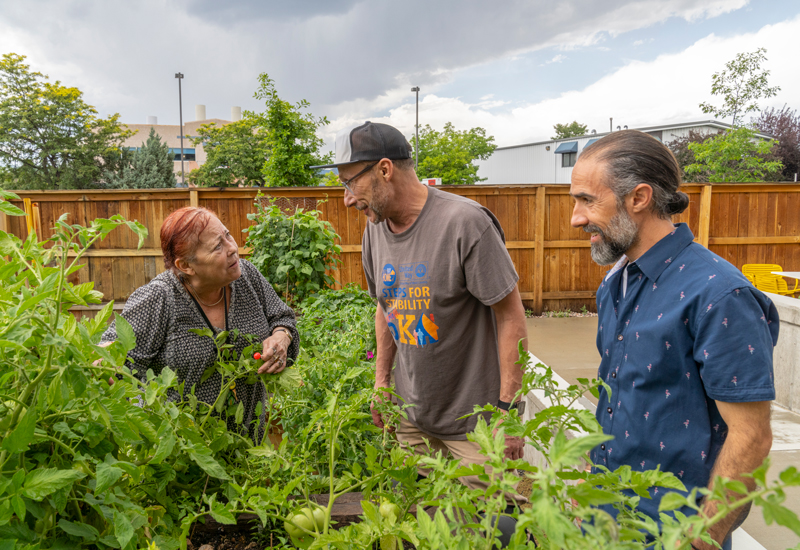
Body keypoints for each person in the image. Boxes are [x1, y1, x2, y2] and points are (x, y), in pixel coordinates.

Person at [570, 130, 778, 549]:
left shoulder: (719, 294)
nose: (576, 217)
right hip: (607, 520)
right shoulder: (615, 283)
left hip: (673, 530)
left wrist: (702, 537)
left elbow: (751, 435)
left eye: (587, 200)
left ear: (639, 198)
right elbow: (622, 398)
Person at [313, 122, 529, 515]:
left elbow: (511, 317)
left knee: (488, 532)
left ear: (383, 169)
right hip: (412, 423)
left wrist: (508, 412)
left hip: (476, 429)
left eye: (349, 183)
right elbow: (385, 306)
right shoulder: (374, 230)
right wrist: (381, 382)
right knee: (428, 526)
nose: (346, 199)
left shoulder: (465, 223)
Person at [100, 206, 299, 442]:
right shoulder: (160, 298)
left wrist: (281, 337)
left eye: (227, 235)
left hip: (251, 445)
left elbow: (282, 318)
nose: (233, 248)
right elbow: (110, 363)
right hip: (186, 453)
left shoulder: (246, 276)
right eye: (217, 246)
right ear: (186, 266)